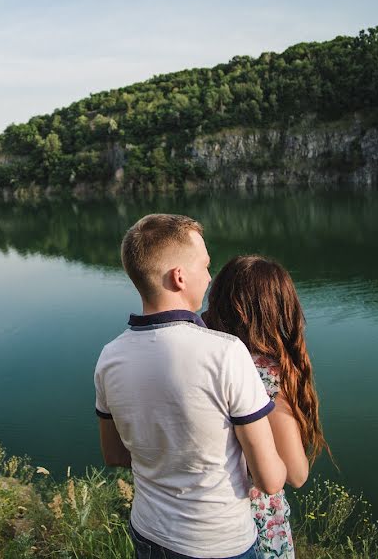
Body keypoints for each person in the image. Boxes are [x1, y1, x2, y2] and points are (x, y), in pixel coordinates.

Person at [94, 214, 287, 559]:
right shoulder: (225, 352)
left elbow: (115, 455)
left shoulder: (110, 357)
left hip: (149, 533)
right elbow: (270, 480)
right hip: (219, 542)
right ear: (179, 277)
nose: (210, 277)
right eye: (205, 265)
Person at [203, 255, 332, 559]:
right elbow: (297, 474)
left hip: (191, 521)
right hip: (252, 526)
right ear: (277, 310)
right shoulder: (266, 375)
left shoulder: (197, 353)